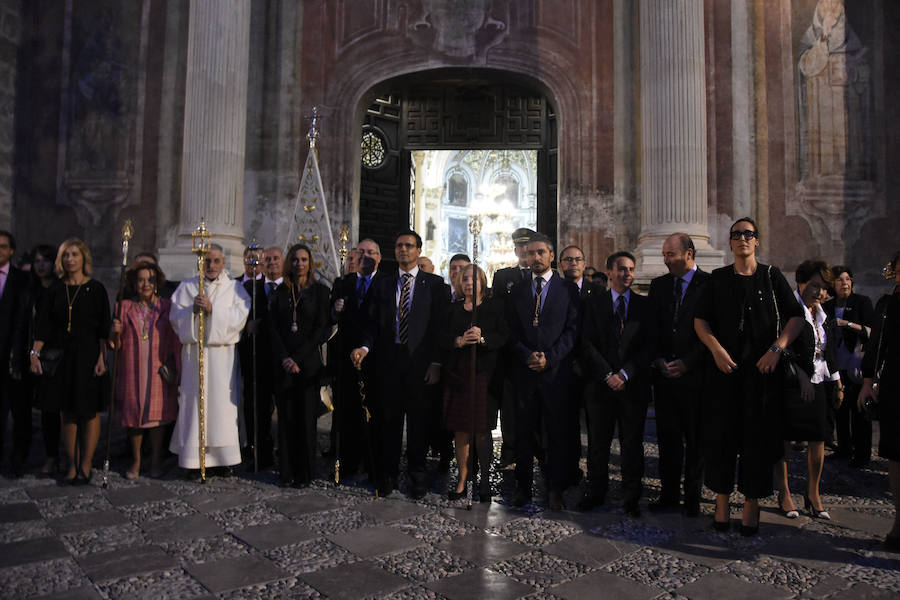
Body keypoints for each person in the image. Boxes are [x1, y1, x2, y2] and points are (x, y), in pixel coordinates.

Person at [694, 217, 805, 536]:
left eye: (748, 234)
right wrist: (715, 349)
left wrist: (777, 348)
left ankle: (752, 503)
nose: (742, 238)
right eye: (736, 235)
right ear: (730, 243)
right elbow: (701, 321)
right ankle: (722, 500)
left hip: (761, 374)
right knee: (722, 438)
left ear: (757, 241)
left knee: (757, 440)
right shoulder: (717, 279)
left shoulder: (772, 277)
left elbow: (796, 318)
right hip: (725, 373)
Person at [351, 230, 449, 499]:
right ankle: (388, 474)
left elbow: (440, 329)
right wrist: (364, 346)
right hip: (388, 362)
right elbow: (371, 322)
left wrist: (436, 363)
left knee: (419, 424)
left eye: (409, 246)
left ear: (418, 250)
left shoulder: (435, 285)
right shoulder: (382, 284)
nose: (403, 250)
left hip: (420, 364)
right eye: (399, 246)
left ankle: (417, 475)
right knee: (388, 422)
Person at [507, 232, 580, 510]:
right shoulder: (518, 290)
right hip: (525, 372)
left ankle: (555, 489)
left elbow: (572, 331)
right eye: (530, 253)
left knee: (556, 434)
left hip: (555, 374)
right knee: (523, 434)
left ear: (551, 256)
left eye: (540, 252)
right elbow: (511, 330)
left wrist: (550, 358)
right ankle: (522, 488)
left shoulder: (568, 290)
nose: (535, 257)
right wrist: (527, 355)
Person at [30, 239, 110, 484]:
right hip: (63, 357)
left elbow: (103, 330)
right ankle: (72, 464)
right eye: (66, 255)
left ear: (83, 258)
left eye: (74, 254)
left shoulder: (96, 289)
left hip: (88, 356)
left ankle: (86, 465)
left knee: (88, 411)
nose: (70, 259)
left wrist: (102, 358)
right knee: (68, 412)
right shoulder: (55, 289)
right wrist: (34, 354)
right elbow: (42, 326)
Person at [579, 251, 652, 517]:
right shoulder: (593, 303)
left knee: (632, 444)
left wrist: (625, 374)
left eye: (631, 269)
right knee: (598, 443)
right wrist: (607, 374)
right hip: (600, 386)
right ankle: (596, 492)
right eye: (622, 269)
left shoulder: (645, 307)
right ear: (609, 272)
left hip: (632, 387)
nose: (627, 274)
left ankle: (631, 497)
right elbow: (585, 343)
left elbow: (647, 347)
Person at [169, 244, 251, 472]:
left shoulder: (234, 289)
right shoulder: (187, 288)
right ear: (200, 262)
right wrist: (192, 312)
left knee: (222, 407)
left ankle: (224, 460)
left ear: (224, 263)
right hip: (195, 357)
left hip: (222, 360)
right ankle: (193, 459)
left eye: (216, 261)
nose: (211, 265)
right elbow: (176, 319)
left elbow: (240, 318)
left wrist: (213, 310)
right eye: (207, 261)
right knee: (194, 404)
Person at [646, 234, 710, 517]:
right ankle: (669, 494)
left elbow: (713, 331)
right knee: (668, 438)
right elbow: (654, 328)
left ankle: (693, 497)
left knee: (695, 439)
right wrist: (658, 359)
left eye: (671, 254)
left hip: (695, 376)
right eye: (664, 255)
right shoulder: (659, 286)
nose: (666, 260)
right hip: (664, 376)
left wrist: (688, 363)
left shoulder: (709, 285)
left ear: (689, 253)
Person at [775, 260, 838, 520]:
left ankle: (813, 493)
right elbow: (781, 346)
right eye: (814, 286)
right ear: (800, 282)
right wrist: (801, 375)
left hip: (820, 382)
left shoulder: (822, 314)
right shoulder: (788, 309)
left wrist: (836, 380)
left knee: (818, 437)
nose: (819, 292)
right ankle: (784, 492)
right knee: (786, 438)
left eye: (823, 288)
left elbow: (825, 350)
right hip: (791, 384)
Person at [440, 264, 508, 502]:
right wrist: (459, 340)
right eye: (465, 279)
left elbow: (503, 336)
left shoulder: (494, 307)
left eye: (474, 279)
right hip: (459, 375)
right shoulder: (452, 309)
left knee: (481, 430)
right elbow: (441, 337)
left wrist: (483, 338)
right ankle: (462, 479)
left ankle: (485, 480)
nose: (469, 283)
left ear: (483, 281)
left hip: (483, 375)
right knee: (461, 430)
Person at [110, 262, 181, 479]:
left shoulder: (167, 307)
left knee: (156, 418)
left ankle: (156, 459)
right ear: (134, 283)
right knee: (134, 417)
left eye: (150, 280)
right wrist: (114, 332)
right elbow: (115, 344)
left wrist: (176, 366)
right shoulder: (123, 307)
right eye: (141, 280)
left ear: (157, 283)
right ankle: (137, 459)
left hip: (158, 367)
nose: (145, 284)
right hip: (132, 368)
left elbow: (176, 339)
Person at [267, 243, 330, 486]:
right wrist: (285, 357)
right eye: (295, 260)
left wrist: (298, 358)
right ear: (289, 263)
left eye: (304, 260)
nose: (299, 264)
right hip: (283, 365)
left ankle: (304, 473)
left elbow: (320, 329)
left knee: (305, 421)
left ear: (310, 263)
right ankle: (286, 471)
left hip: (307, 366)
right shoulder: (280, 292)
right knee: (285, 419)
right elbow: (272, 328)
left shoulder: (320, 292)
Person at [858, 250, 900, 550]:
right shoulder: (888, 305)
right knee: (897, 456)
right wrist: (868, 381)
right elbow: (877, 346)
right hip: (896, 386)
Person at [330, 239, 382, 480]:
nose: (366, 256)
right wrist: (336, 310)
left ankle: (373, 464)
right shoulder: (343, 283)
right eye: (361, 252)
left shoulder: (387, 283)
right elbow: (332, 317)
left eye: (371, 252)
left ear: (379, 257)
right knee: (348, 412)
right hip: (347, 357)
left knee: (375, 413)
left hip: (376, 358)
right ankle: (349, 462)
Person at [489, 227, 534, 468]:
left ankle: (538, 449)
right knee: (510, 407)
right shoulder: (503, 276)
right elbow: (498, 312)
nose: (525, 250)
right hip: (510, 352)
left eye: (528, 246)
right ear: (515, 249)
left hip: (537, 352)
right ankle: (509, 451)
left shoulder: (547, 276)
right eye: (520, 246)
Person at [558, 244, 599, 489]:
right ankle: (569, 471)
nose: (573, 263)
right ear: (561, 264)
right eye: (568, 259)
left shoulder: (598, 292)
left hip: (591, 368)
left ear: (584, 264)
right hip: (563, 367)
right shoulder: (555, 290)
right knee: (567, 425)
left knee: (596, 426)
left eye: (577, 259)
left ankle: (595, 476)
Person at [823, 266, 874, 466]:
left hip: (857, 365)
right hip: (837, 366)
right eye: (840, 280)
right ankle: (844, 449)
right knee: (841, 410)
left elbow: (871, 330)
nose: (844, 283)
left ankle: (862, 454)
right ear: (833, 284)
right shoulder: (828, 307)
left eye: (847, 279)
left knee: (860, 411)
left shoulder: (862, 302)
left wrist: (848, 324)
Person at [236, 244, 272, 470]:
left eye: (258, 260)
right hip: (238, 350)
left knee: (260, 402)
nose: (253, 264)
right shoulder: (233, 285)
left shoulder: (268, 287)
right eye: (250, 260)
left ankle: (261, 445)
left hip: (262, 352)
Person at [26, 245, 61, 476]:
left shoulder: (60, 290)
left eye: (46, 261)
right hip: (30, 354)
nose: (41, 265)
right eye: (37, 261)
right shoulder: (28, 289)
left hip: (55, 356)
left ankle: (57, 456)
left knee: (53, 409)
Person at [0, 231, 31, 476]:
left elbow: (22, 320)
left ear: (11, 251)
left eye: (3, 247)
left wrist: (17, 354)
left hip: (14, 356)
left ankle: (18, 459)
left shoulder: (22, 279)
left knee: (19, 412)